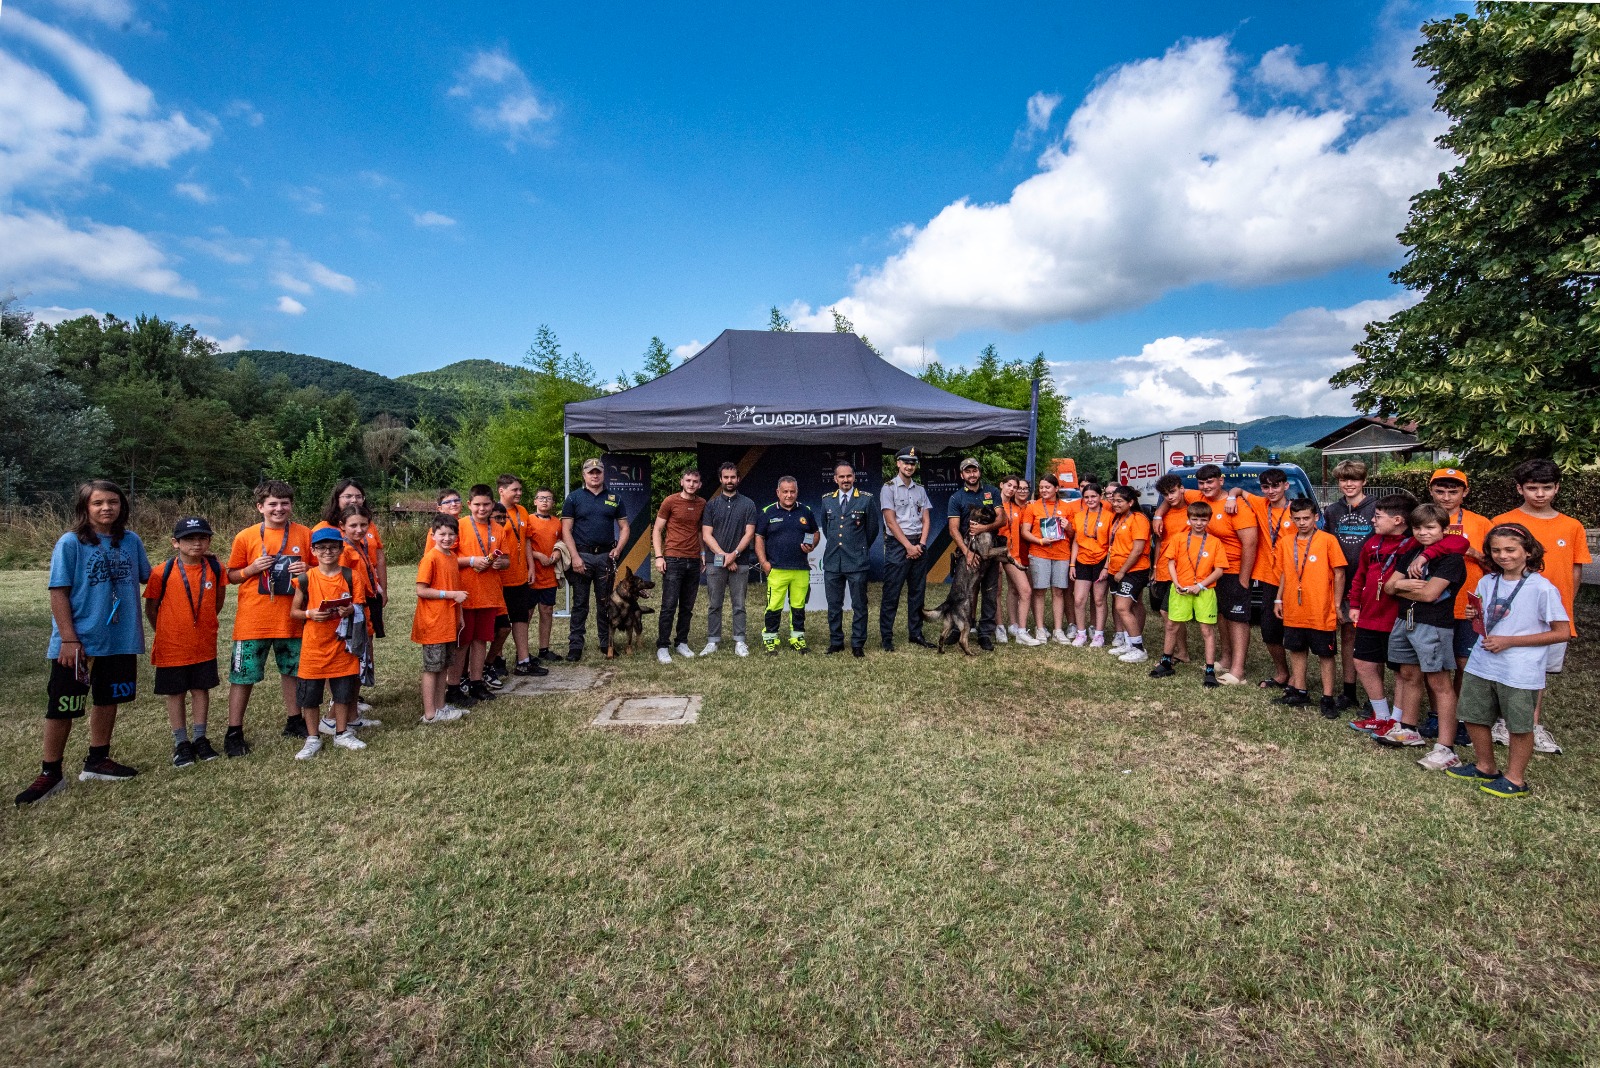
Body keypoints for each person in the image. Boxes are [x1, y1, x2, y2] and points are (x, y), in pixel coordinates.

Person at [16, 481, 153, 806]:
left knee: (108, 699)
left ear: (122, 507)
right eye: (98, 503)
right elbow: (58, 591)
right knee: (63, 706)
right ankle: (51, 773)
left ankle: (98, 760)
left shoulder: (130, 541)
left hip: (120, 639)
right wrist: (68, 638)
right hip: (80, 644)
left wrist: (194, 557)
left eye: (113, 502)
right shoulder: (71, 543)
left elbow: (151, 576)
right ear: (85, 508)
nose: (107, 508)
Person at [1446, 524, 1571, 798]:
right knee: (1473, 716)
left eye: (1511, 550)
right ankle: (1485, 766)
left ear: (1528, 551)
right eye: (1496, 550)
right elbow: (1487, 617)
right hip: (1482, 661)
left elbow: (1561, 632)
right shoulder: (1488, 581)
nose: (1503, 556)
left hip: (1519, 669)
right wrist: (1473, 614)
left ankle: (1515, 779)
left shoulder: (1542, 588)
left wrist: (1510, 641)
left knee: (1519, 724)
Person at [1490, 458, 1590, 755]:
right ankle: (1501, 722)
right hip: (1510, 612)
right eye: (1532, 488)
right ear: (1520, 488)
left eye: (1547, 487)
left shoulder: (1572, 526)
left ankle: (1531, 726)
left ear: (1557, 487)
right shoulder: (1502, 522)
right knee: (1504, 667)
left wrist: (1564, 609)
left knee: (1537, 673)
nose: (1540, 494)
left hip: (1551, 616)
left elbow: (1574, 571)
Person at [225, 479, 312, 753]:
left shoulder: (304, 534)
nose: (279, 509)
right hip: (254, 621)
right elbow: (231, 576)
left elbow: (321, 570)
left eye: (284, 503)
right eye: (272, 504)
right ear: (260, 507)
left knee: (293, 672)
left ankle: (294, 720)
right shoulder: (246, 536)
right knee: (243, 676)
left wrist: (306, 568)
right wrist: (251, 569)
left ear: (291, 506)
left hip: (291, 618)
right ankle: (234, 731)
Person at [1379, 503, 1469, 768]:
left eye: (1430, 528)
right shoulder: (1412, 553)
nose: (1423, 533)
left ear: (1444, 529)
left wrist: (1399, 588)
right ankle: (1409, 729)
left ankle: (1446, 747)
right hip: (1405, 621)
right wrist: (1400, 585)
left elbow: (1430, 594)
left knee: (1439, 683)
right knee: (1408, 675)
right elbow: (1387, 588)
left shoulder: (1451, 559)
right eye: (1418, 527)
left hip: (1433, 626)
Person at [1156, 464, 1258, 683]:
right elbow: (1171, 495)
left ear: (1221, 481)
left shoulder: (1237, 506)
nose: (1205, 487)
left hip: (1233, 569)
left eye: (1210, 482)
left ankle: (1238, 671)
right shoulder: (1199, 497)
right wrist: (1157, 515)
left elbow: (1250, 544)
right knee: (1221, 616)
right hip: (1209, 571)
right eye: (1201, 483)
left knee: (1237, 619)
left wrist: (1244, 579)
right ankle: (1226, 658)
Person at [144, 516, 227, 768]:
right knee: (176, 692)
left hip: (203, 644)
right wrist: (167, 631)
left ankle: (200, 738)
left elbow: (217, 603)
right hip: (172, 646)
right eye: (189, 538)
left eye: (202, 538)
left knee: (201, 690)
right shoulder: (161, 572)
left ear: (209, 540)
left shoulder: (215, 569)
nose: (197, 543)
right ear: (175, 543)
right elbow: (151, 608)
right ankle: (181, 742)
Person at [288, 528, 371, 759]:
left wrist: (349, 609)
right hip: (314, 645)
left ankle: (342, 732)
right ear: (313, 551)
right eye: (322, 548)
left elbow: (360, 605)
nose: (328, 552)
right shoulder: (305, 578)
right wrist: (310, 614)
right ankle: (312, 737)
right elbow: (294, 612)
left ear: (341, 549)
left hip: (342, 644)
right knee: (310, 695)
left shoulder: (351, 576)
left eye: (333, 547)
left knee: (343, 691)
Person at [1345, 494, 1416, 738]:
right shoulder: (1373, 541)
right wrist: (1354, 603)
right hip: (1369, 614)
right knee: (1363, 663)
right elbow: (1360, 574)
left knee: (1401, 670)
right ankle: (1381, 715)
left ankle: (1396, 720)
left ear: (1397, 520)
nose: (1373, 520)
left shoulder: (1413, 544)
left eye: (1378, 516)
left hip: (1397, 616)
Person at [1272, 498, 1347, 717]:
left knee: (1325, 654)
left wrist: (1336, 603)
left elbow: (1340, 573)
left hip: (1321, 608)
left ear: (1316, 517)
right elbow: (1285, 572)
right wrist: (1279, 599)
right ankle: (1300, 689)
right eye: (1297, 519)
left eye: (1307, 518)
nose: (1302, 523)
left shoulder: (1327, 540)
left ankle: (1327, 697)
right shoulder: (1286, 542)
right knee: (1296, 649)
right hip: (1295, 608)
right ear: (1291, 519)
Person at [1423, 467, 1492, 681]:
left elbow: (1499, 566)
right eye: (1440, 491)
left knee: (1465, 663)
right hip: (1432, 602)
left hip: (1468, 604)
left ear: (1465, 492)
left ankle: (1461, 712)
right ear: (1431, 491)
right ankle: (1438, 712)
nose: (1446, 497)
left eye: (1453, 492)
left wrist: (1474, 553)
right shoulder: (1422, 520)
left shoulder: (1481, 523)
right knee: (1433, 663)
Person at [1150, 501, 1229, 687]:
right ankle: (1166, 662)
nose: (1199, 523)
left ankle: (1210, 671)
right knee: (1172, 625)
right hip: (1180, 589)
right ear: (1189, 520)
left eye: (1203, 519)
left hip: (1205, 591)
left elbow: (1219, 570)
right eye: (1195, 519)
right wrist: (1176, 582)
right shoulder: (1179, 539)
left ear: (1209, 520)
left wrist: (1200, 585)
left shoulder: (1214, 542)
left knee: (1206, 630)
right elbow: (1170, 561)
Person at [560, 458, 629, 662]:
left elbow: (625, 528)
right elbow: (566, 530)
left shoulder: (614, 498)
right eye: (591, 472)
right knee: (580, 603)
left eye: (598, 471)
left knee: (605, 603)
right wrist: (574, 557)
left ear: (603, 474)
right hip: (582, 556)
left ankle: (605, 643)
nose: (595, 475)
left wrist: (618, 549)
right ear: (584, 475)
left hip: (605, 557)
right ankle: (575, 646)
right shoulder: (573, 498)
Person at [1232, 468, 1296, 689]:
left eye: (1275, 486)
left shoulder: (1296, 511)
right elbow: (1239, 489)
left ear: (1285, 486)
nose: (1271, 491)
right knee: (1269, 631)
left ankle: (1298, 678)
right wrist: (1232, 497)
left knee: (1296, 631)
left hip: (1294, 579)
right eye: (1266, 487)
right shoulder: (1260, 504)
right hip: (1269, 578)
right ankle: (1282, 673)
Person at [1323, 460, 1378, 711]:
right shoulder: (1332, 511)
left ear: (1364, 481)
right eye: (1344, 480)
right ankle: (1348, 690)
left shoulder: (1376, 508)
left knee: (1370, 639)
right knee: (1347, 635)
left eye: (1354, 479)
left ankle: (1374, 696)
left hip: (1371, 583)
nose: (1348, 484)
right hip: (1343, 582)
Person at [451, 485, 509, 705]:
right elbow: (448, 559)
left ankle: (477, 683)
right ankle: (454, 686)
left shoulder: (499, 529)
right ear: (469, 505)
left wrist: (501, 563)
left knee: (481, 641)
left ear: (493, 504)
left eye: (486, 504)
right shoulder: (459, 526)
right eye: (477, 505)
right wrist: (472, 561)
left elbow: (507, 561)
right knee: (462, 642)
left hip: (489, 593)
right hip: (465, 594)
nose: (482, 509)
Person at [327, 505, 383, 728]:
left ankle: (351, 716)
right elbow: (338, 584)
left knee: (360, 666)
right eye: (353, 525)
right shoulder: (344, 552)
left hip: (364, 612)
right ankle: (332, 719)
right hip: (351, 616)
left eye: (363, 525)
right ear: (342, 526)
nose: (359, 529)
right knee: (350, 669)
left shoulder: (359, 547)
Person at [699, 463, 759, 658]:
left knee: (739, 604)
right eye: (726, 477)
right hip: (715, 561)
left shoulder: (748, 504)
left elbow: (749, 534)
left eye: (733, 477)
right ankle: (712, 641)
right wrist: (725, 557)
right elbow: (707, 535)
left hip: (740, 561)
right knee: (714, 603)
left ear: (738, 479)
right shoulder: (711, 505)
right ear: (720, 479)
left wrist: (734, 554)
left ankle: (740, 641)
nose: (729, 481)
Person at [821, 461, 881, 657]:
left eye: (849, 476)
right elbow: (826, 526)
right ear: (835, 479)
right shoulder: (827, 500)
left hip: (856, 562)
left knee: (859, 605)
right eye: (841, 477)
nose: (845, 480)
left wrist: (859, 548)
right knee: (834, 605)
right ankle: (836, 641)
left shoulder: (865, 500)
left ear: (854, 478)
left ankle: (857, 643)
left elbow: (872, 530)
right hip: (832, 561)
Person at [412, 514, 467, 724]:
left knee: (443, 666)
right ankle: (430, 713)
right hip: (433, 622)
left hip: (449, 621)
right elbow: (421, 590)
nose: (446, 538)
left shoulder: (452, 557)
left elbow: (455, 588)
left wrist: (459, 614)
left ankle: (441, 706)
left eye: (451, 534)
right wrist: (450, 596)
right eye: (442, 534)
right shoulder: (430, 558)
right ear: (433, 535)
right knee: (432, 668)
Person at [489, 474, 545, 680]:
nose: (519, 493)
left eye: (520, 490)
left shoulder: (522, 512)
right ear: (501, 491)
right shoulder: (493, 512)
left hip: (520, 576)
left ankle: (523, 661)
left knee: (521, 618)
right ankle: (497, 660)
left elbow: (527, 541)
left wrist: (531, 566)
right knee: (500, 623)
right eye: (515, 490)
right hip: (499, 578)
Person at [946, 458, 1005, 650]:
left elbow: (1002, 519)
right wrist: (967, 553)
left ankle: (985, 632)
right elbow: (953, 529)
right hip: (967, 553)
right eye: (967, 471)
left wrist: (984, 528)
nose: (972, 475)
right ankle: (958, 628)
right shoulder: (956, 498)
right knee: (966, 592)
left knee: (990, 592)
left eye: (975, 471)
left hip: (990, 552)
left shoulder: (992, 492)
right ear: (962, 475)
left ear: (979, 472)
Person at [879, 447, 935, 651]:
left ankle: (916, 633)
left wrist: (920, 544)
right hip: (898, 546)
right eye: (905, 462)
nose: (909, 466)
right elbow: (890, 522)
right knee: (891, 594)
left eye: (912, 463)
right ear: (898, 464)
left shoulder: (920, 489)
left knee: (917, 593)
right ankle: (886, 637)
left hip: (918, 544)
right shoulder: (889, 488)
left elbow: (926, 519)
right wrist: (909, 546)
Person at [756, 476, 819, 655]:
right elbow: (759, 537)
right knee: (774, 606)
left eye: (792, 491)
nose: (789, 495)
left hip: (800, 568)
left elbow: (815, 533)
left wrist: (812, 545)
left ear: (797, 492)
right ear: (778, 492)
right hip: (776, 569)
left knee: (798, 606)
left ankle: (797, 638)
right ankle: (770, 639)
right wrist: (764, 563)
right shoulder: (767, 512)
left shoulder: (806, 511)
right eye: (785, 491)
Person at [318, 479, 387, 638]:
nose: (354, 500)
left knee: (367, 637)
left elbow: (379, 558)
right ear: (337, 499)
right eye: (348, 496)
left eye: (358, 496)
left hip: (368, 591)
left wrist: (383, 589)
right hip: (342, 597)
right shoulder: (323, 528)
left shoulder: (367, 524)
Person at [652, 466, 706, 663]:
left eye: (695, 481)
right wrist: (659, 556)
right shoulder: (670, 501)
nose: (691, 484)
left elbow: (700, 531)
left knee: (687, 606)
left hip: (693, 560)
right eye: (688, 481)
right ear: (682, 482)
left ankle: (682, 642)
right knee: (668, 605)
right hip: (673, 559)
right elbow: (657, 530)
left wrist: (701, 553)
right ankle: (662, 645)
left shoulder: (702, 503)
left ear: (699, 484)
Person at [1022, 473, 1073, 644]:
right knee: (1039, 591)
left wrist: (1069, 526)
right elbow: (1025, 532)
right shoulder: (1032, 507)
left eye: (1047, 487)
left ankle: (1058, 630)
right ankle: (1040, 628)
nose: (1043, 490)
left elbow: (1073, 534)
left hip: (1061, 553)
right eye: (1041, 487)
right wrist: (1040, 541)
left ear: (1056, 489)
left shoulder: (1067, 507)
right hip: (1039, 552)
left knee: (1058, 591)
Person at [1105, 486, 1152, 662]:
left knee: (1122, 607)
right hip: (1115, 568)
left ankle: (1139, 649)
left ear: (1130, 502)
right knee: (1133, 605)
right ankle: (1129, 641)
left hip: (1133, 570)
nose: (1115, 504)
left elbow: (1138, 549)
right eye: (1114, 500)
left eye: (1119, 501)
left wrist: (1122, 571)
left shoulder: (1138, 519)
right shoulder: (1118, 518)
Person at [1147, 474, 1189, 667]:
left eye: (1172, 492)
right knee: (1169, 613)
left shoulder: (1193, 510)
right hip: (1164, 567)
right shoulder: (1164, 514)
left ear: (1182, 488)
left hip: (1182, 570)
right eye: (1165, 494)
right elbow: (1159, 543)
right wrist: (1155, 567)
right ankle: (1182, 652)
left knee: (1169, 612)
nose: (1170, 497)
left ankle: (1172, 654)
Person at [1068, 481, 1112, 647]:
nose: (1090, 500)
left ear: (1100, 496)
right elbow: (1076, 542)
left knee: (1099, 599)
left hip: (1101, 560)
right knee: (1079, 600)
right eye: (1086, 497)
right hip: (1082, 561)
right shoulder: (1079, 516)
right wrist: (1072, 564)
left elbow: (1111, 544)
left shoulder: (1109, 516)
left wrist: (1107, 566)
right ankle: (1081, 633)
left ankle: (1099, 634)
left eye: (1093, 496)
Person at [1000, 478, 1042, 646]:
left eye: (1016, 487)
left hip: (1013, 555)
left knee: (1024, 590)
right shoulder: (995, 505)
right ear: (1001, 485)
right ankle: (1002, 627)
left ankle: (1020, 630)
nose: (1014, 489)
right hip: (996, 553)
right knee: (998, 592)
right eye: (1011, 486)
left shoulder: (1018, 508)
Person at [527, 488, 564, 663]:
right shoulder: (528, 520)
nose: (544, 502)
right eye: (541, 498)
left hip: (549, 574)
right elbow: (521, 546)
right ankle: (523, 652)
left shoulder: (557, 522)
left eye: (548, 499)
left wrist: (557, 553)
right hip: (531, 574)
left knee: (547, 611)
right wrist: (537, 556)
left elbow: (561, 542)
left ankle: (544, 649)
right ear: (535, 501)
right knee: (526, 613)